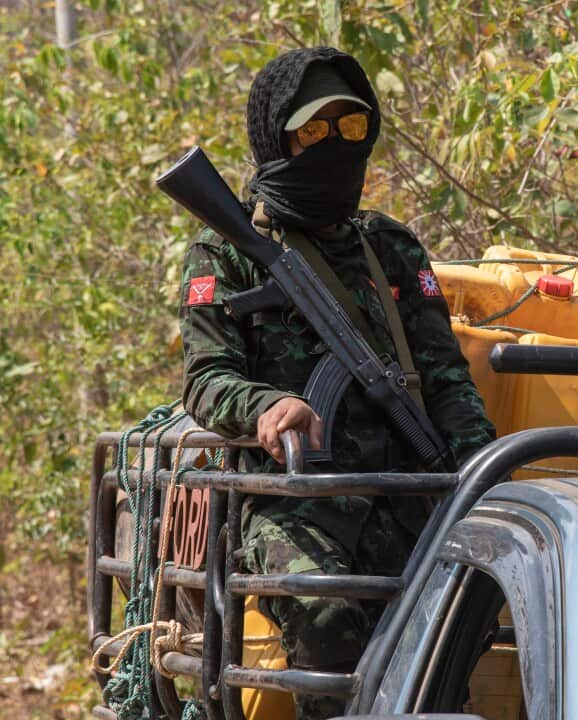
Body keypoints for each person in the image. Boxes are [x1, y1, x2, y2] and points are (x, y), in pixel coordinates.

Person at [178, 47, 494, 719]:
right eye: (313, 131)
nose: (334, 147)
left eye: (351, 129)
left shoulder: (391, 248)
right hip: (293, 503)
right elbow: (207, 380)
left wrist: (481, 474)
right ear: (276, 138)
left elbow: (446, 379)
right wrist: (268, 405)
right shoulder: (225, 250)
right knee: (324, 612)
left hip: (412, 491)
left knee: (462, 620)